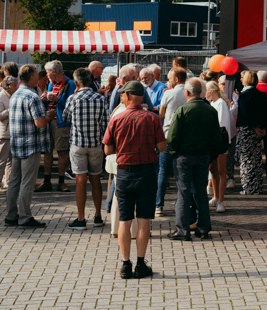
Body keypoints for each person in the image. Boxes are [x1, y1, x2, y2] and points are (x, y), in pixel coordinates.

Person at [102, 79, 166, 279]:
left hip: (124, 173)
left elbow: (108, 149)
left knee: (124, 220)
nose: (121, 96)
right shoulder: (153, 118)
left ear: (128, 96)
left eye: (122, 94)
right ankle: (140, 263)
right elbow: (162, 147)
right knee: (144, 219)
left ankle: (125, 264)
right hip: (147, 172)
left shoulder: (117, 119)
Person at [166, 77, 219, 241]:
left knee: (183, 192)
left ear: (187, 92)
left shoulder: (182, 111)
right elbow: (216, 138)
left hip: (184, 157)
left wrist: (174, 153)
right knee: (201, 192)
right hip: (202, 156)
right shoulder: (211, 110)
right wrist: (211, 156)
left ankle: (183, 230)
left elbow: (172, 137)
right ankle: (203, 228)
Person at [64, 66, 109, 230]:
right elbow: (106, 123)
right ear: (91, 81)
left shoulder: (73, 98)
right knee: (95, 179)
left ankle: (81, 218)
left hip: (77, 144)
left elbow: (65, 117)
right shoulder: (100, 99)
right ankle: (98, 216)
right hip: (96, 144)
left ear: (76, 82)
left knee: (80, 181)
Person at [4, 64, 50, 228]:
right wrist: (49, 115)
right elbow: (40, 123)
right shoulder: (33, 97)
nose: (38, 78)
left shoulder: (15, 94)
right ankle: (24, 217)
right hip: (31, 145)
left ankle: (10, 216)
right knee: (27, 183)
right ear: (31, 77)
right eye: (37, 75)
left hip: (17, 143)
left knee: (14, 182)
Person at [38, 60, 75, 193]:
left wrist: (57, 100)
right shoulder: (51, 83)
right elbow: (49, 99)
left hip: (61, 122)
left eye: (47, 72)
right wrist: (45, 98)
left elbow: (71, 104)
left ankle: (61, 181)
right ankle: (46, 180)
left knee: (61, 151)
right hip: (49, 120)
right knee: (47, 151)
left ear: (54, 72)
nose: (46, 75)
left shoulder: (70, 84)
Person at [157, 67, 189, 210]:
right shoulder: (189, 94)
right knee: (181, 173)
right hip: (185, 138)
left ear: (176, 79)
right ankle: (181, 204)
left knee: (163, 171)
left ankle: (159, 205)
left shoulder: (168, 93)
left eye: (170, 78)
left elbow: (161, 115)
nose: (168, 80)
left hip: (168, 136)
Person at [235, 71, 267, 195]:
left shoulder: (244, 95)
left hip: (247, 129)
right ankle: (258, 186)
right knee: (256, 158)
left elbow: (245, 113)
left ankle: (248, 187)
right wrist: (263, 127)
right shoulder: (261, 94)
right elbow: (266, 111)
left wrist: (253, 127)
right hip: (258, 129)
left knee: (246, 159)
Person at [206, 80, 232, 213]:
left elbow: (221, 125)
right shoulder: (213, 103)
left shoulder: (220, 104)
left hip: (220, 141)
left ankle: (221, 200)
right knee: (213, 169)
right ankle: (216, 197)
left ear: (211, 91)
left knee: (221, 171)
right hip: (214, 140)